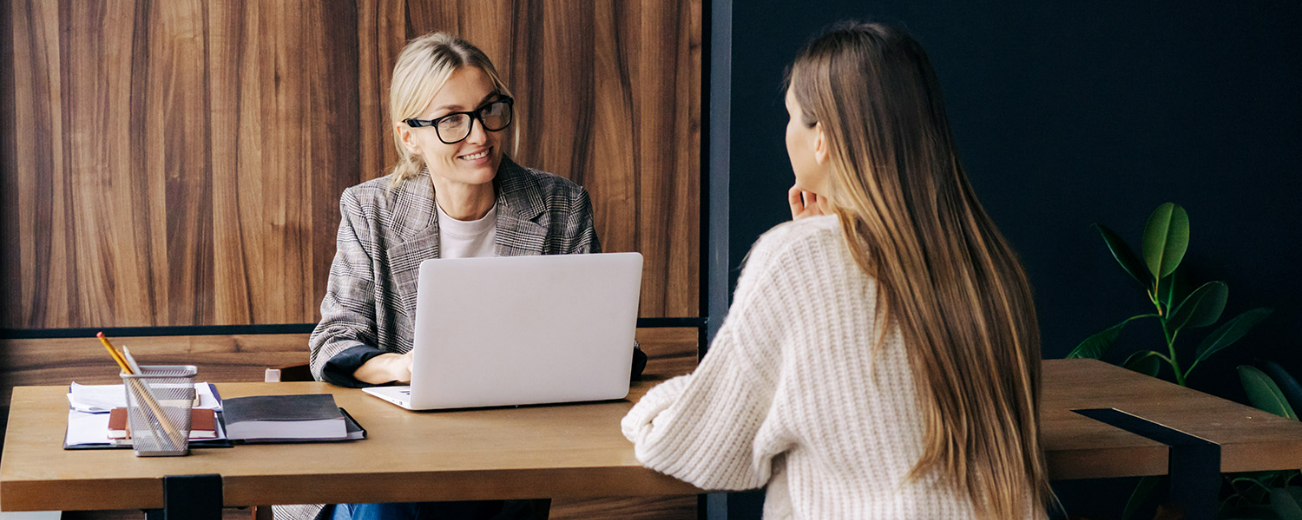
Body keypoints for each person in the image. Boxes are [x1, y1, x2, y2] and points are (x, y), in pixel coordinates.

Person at [622, 22, 1054, 520]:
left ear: (822, 137)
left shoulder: (794, 260)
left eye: (791, 117)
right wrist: (826, 236)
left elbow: (702, 447)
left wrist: (660, 404)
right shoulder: (992, 265)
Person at [287, 32, 598, 520]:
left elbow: (599, 341)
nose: (480, 135)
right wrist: (402, 367)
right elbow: (332, 342)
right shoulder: (371, 209)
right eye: (453, 120)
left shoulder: (561, 204)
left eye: (489, 109)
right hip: (390, 452)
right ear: (410, 135)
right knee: (392, 492)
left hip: (511, 453)